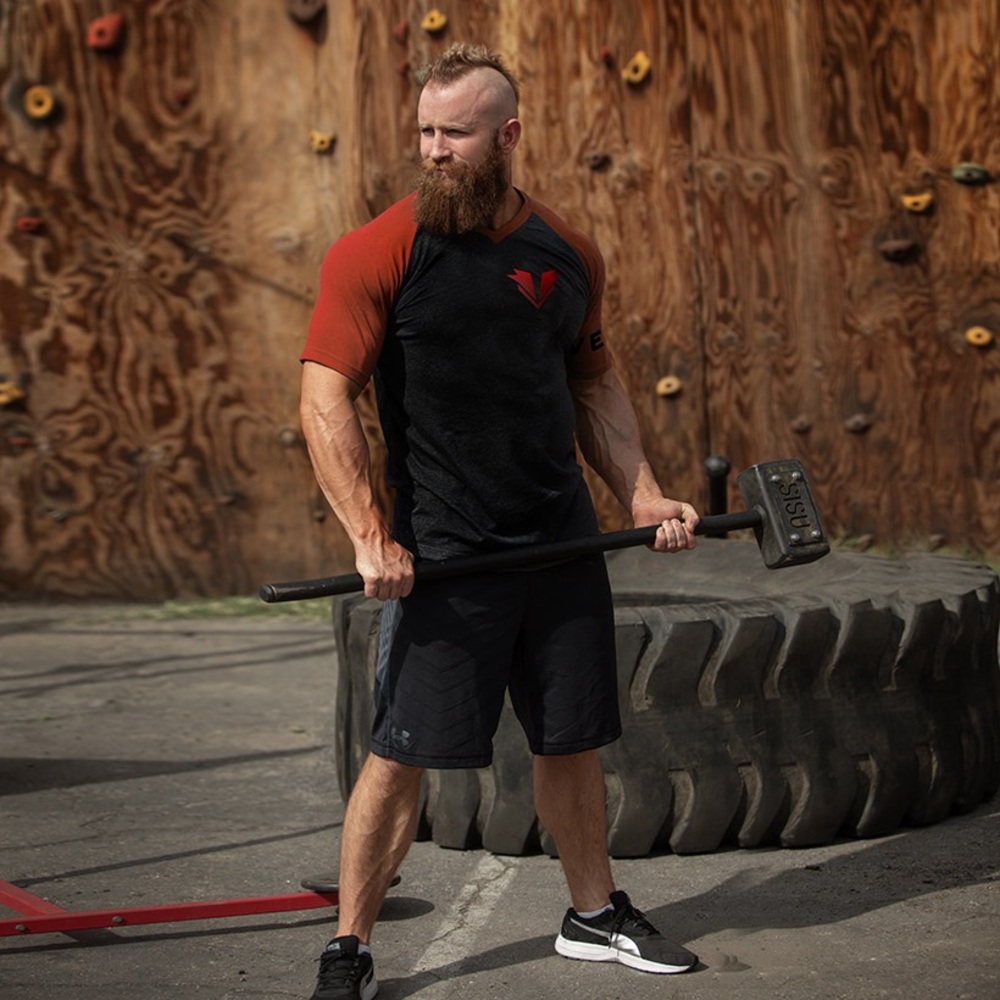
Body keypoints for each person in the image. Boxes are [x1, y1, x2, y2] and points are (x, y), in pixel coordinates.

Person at [299, 42, 701, 1000]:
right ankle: (350, 947)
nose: (435, 151)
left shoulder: (565, 252)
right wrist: (370, 536)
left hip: (558, 540)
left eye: (456, 134)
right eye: (426, 133)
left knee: (572, 739)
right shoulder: (378, 250)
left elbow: (594, 383)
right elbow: (324, 400)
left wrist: (641, 494)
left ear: (508, 136)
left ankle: (593, 915)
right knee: (401, 757)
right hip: (444, 555)